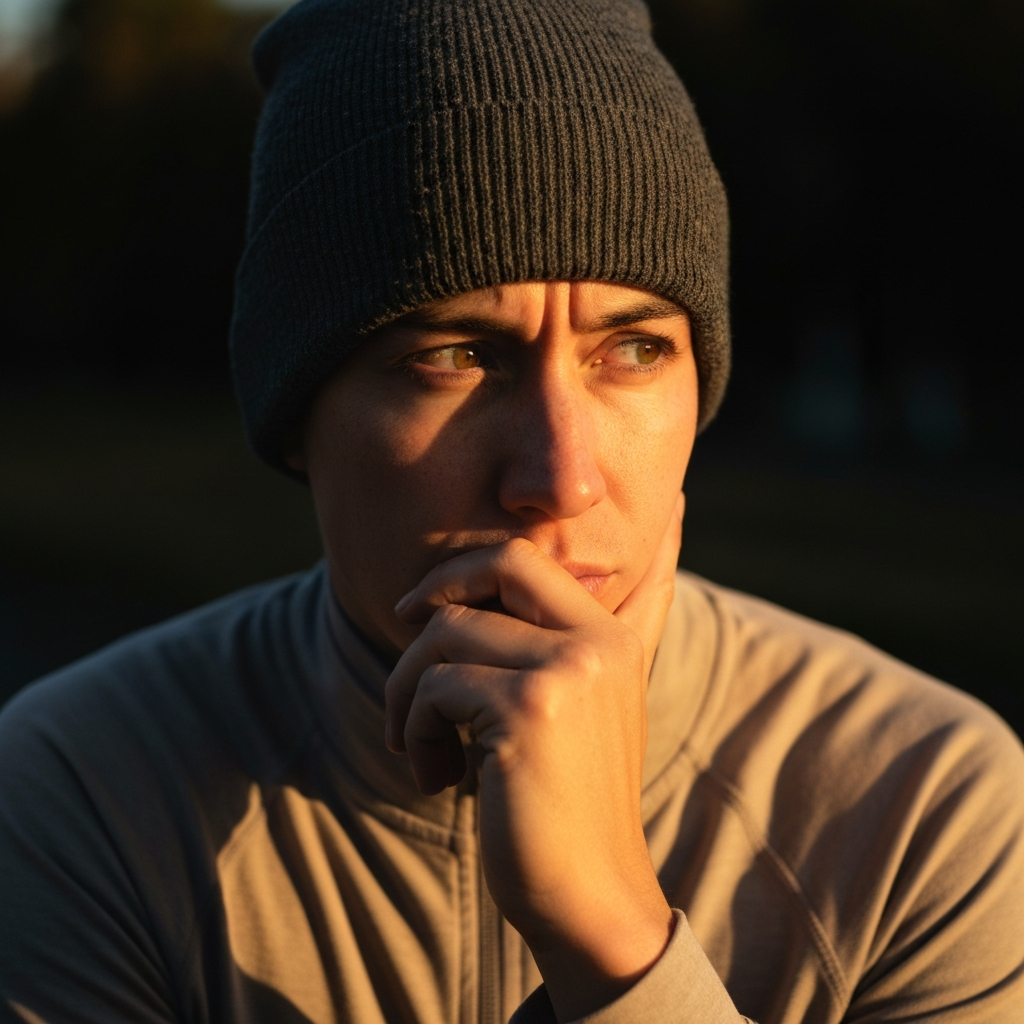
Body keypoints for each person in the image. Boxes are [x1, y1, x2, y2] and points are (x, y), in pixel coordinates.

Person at [1, 0, 1022, 1022]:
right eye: (451, 355)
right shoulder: (80, 794)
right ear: (296, 416)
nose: (560, 475)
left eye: (632, 350)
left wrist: (613, 937)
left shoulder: (923, 805)